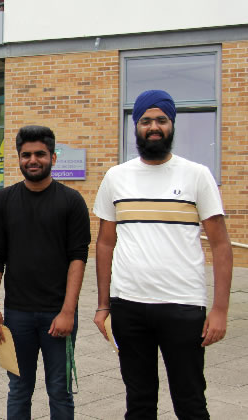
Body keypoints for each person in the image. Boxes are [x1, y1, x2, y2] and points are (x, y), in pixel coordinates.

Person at [93, 90, 233, 419]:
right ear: (135, 126)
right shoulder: (116, 177)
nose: (153, 127)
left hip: (183, 307)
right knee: (139, 403)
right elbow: (104, 243)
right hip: (128, 307)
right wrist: (103, 305)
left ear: (172, 125)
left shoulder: (197, 175)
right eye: (146, 121)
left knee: (191, 403)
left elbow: (222, 245)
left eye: (161, 120)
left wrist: (220, 310)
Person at [0, 125, 91, 419]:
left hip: (58, 313)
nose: (33, 160)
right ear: (18, 158)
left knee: (60, 390)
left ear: (53, 158)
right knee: (19, 389)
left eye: (40, 154)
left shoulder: (72, 202)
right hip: (17, 315)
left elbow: (77, 259)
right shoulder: (3, 202)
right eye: (26, 154)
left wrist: (68, 311)